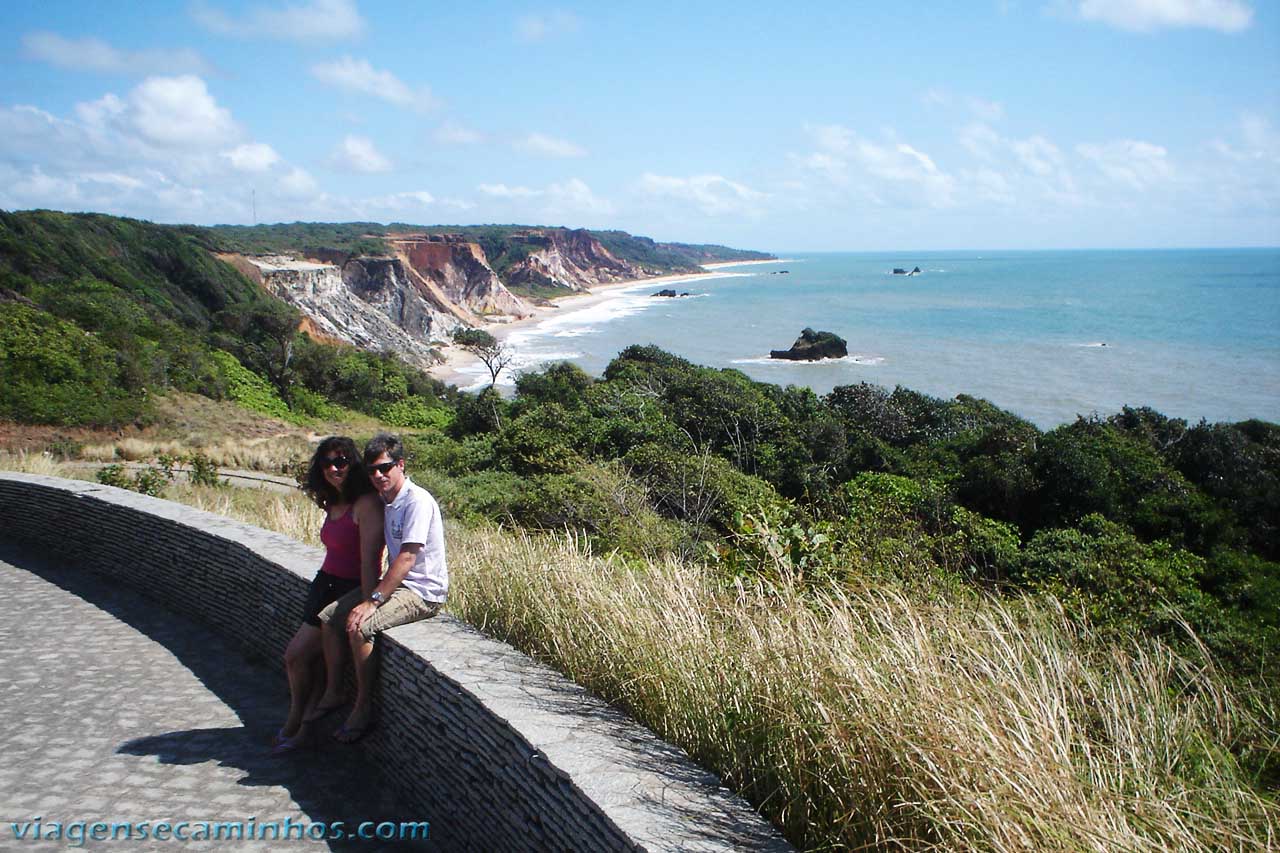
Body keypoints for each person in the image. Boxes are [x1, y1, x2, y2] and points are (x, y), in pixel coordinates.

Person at [311, 433, 447, 743]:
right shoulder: (385, 501)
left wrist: (372, 600)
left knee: (360, 627)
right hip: (397, 587)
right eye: (372, 470)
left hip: (422, 592)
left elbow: (408, 557)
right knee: (330, 617)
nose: (378, 476)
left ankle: (363, 707)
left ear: (400, 465)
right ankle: (335, 692)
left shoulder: (416, 501)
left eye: (385, 468)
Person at [273, 437, 384, 755]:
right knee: (305, 660)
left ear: (355, 465)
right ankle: (301, 727)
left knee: (296, 655)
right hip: (324, 584)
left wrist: (367, 600)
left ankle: (297, 723)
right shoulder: (332, 500)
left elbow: (370, 559)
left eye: (342, 461)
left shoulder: (365, 503)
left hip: (346, 588)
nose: (334, 469)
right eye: (326, 464)